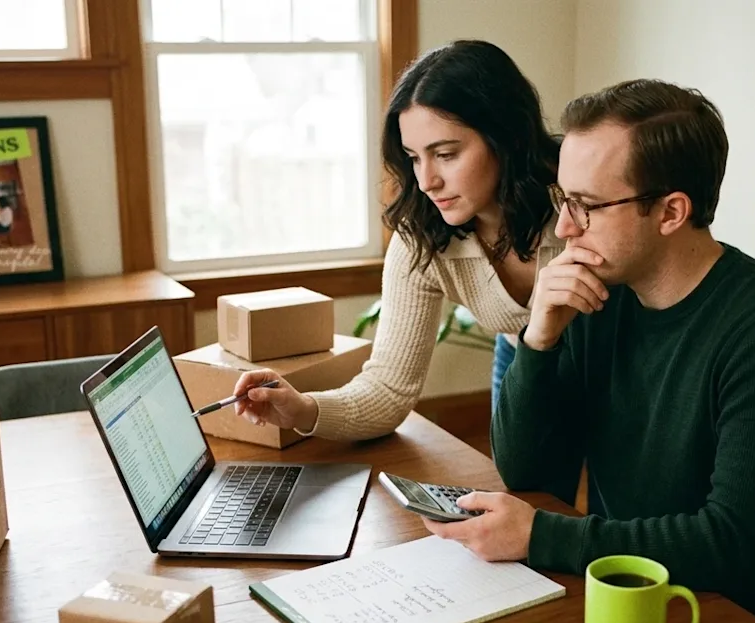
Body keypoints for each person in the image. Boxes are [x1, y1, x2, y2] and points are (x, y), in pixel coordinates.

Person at [422, 78, 755, 623]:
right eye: (562, 199)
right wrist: (539, 338)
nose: (565, 228)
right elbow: (528, 473)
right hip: (628, 600)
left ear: (671, 211)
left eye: (587, 206)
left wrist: (541, 535)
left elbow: (735, 547)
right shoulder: (599, 297)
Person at [230, 40, 562, 439]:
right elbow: (388, 388)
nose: (426, 182)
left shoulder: (579, 201)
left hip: (620, 365)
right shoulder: (422, 236)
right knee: (524, 490)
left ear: (505, 135)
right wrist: (302, 409)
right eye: (414, 157)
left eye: (446, 154)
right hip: (521, 355)